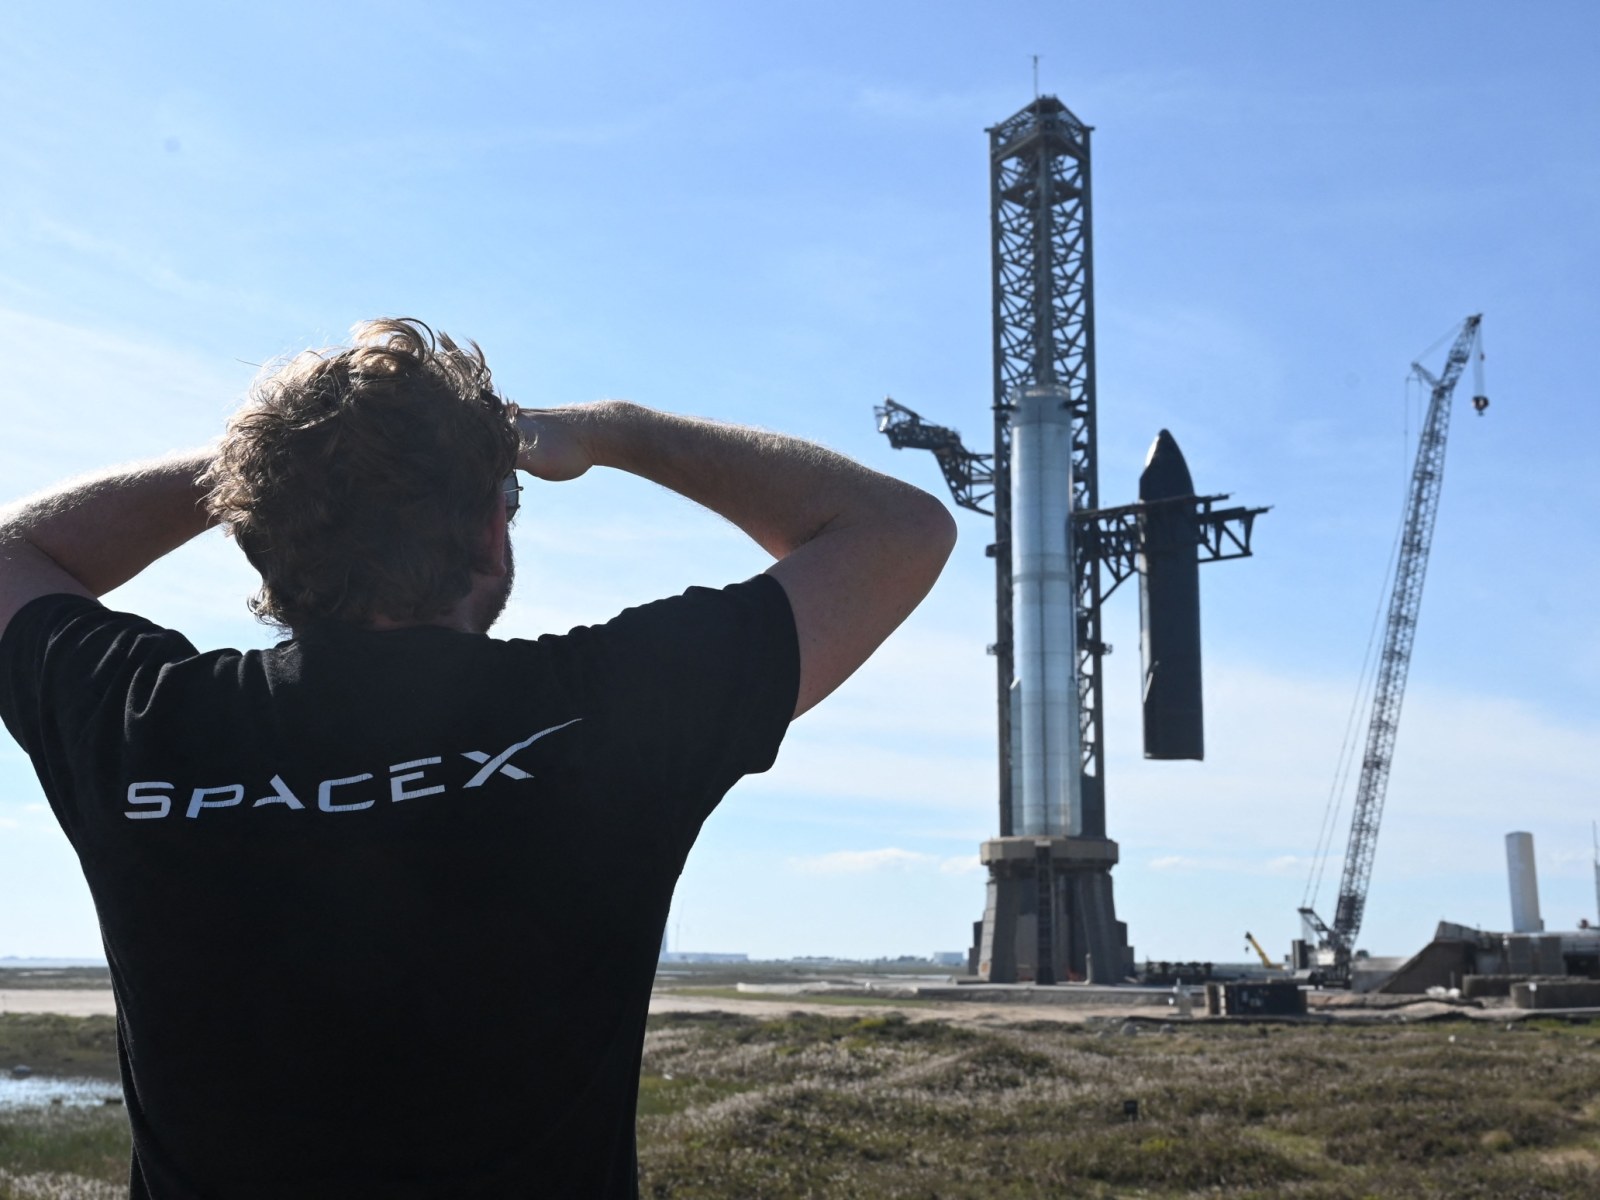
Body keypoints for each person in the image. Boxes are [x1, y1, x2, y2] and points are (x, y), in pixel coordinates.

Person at [0, 319, 955, 1198]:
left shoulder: (143, 721)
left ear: (257, 541)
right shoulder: (605, 714)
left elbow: (15, 550)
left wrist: (276, 466)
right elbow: (898, 530)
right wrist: (620, 431)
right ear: (493, 535)